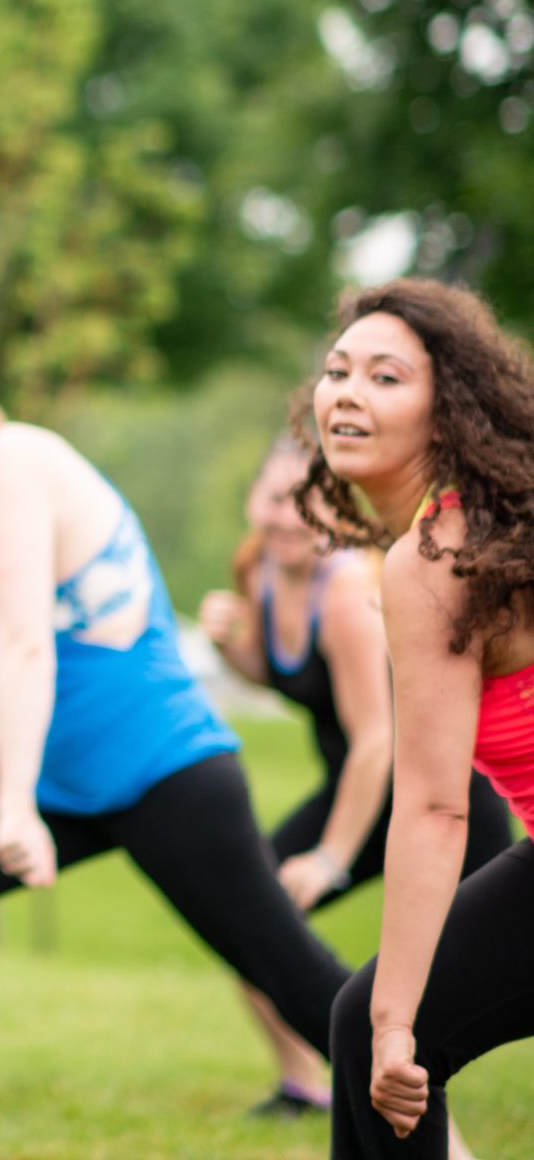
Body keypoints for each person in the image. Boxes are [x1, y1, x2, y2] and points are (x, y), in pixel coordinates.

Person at [0, 353, 350, 1145]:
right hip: (68, 780)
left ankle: (441, 1140)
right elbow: (77, 639)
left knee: (291, 972)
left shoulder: (12, 462)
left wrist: (13, 804)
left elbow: (31, 643)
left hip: (163, 772)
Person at [199, 435, 512, 1122]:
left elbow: (377, 740)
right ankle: (302, 1083)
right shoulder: (258, 570)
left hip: (436, 798)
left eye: (308, 501)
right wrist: (234, 651)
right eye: (276, 498)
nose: (288, 516)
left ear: (337, 508)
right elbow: (288, 677)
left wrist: (331, 860)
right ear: (253, 499)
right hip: (356, 789)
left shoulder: (346, 589)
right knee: (250, 918)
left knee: (487, 972)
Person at [308, 280, 534, 1158]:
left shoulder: (438, 554)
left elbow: (438, 810)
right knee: (358, 1020)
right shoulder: (481, 532)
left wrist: (398, 1021)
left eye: (386, 376)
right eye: (336, 372)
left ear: (451, 411)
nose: (349, 393)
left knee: (374, 1028)